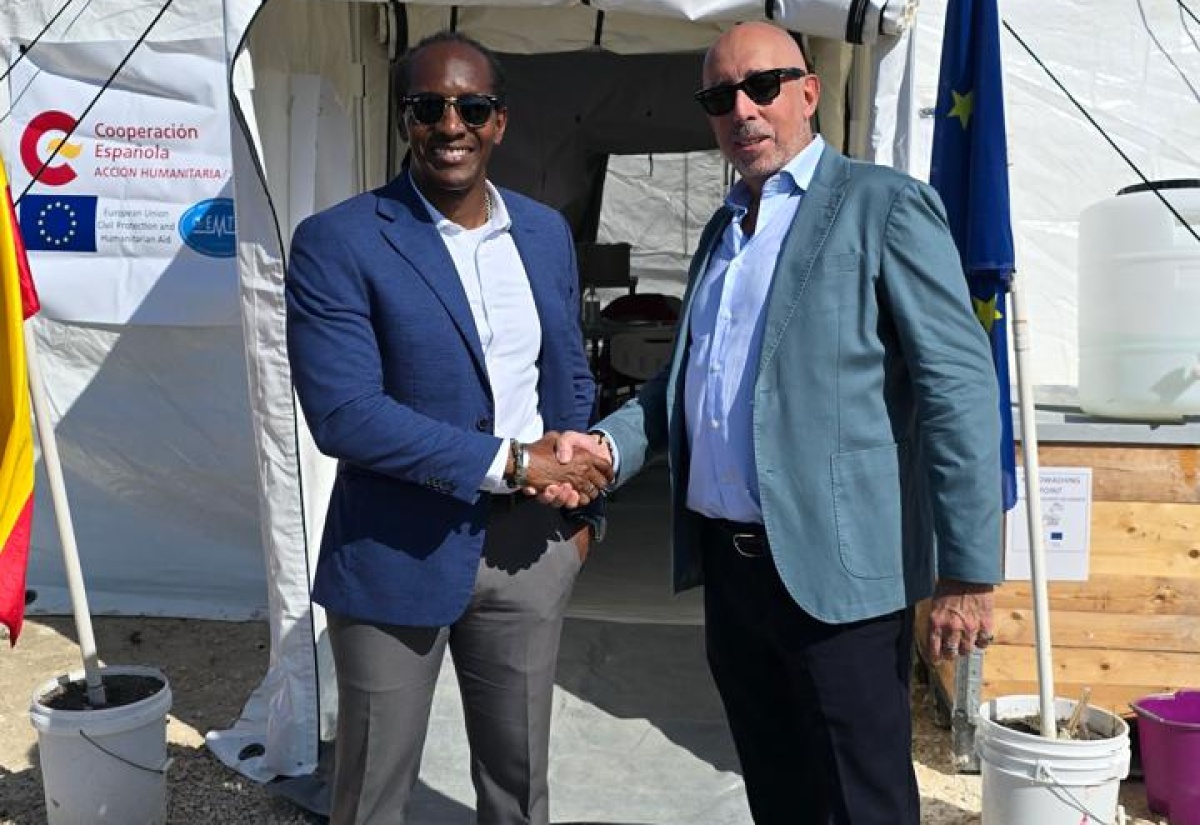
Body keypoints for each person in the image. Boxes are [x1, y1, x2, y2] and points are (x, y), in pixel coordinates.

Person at [545, 22, 1003, 825]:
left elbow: (958, 384)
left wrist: (967, 569)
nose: (743, 111)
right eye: (720, 97)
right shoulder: (725, 231)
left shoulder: (882, 206)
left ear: (808, 91)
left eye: (762, 86)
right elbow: (690, 383)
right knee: (779, 791)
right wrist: (611, 445)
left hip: (841, 579)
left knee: (862, 801)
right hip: (733, 575)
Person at [285, 31, 611, 825]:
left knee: (518, 786)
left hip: (530, 551)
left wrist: (580, 518)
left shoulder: (541, 231)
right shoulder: (339, 240)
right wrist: (511, 461)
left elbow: (566, 370)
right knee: (372, 794)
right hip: (395, 552)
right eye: (429, 106)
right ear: (405, 119)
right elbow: (345, 414)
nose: (451, 124)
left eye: (472, 106)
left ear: (500, 121)